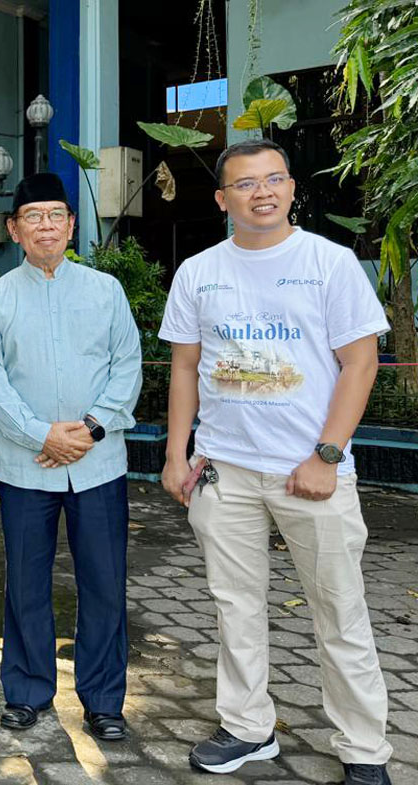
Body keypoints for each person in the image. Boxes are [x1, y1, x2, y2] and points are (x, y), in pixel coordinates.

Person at [158, 139, 393, 784]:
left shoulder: (329, 263)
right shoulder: (199, 271)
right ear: (222, 199)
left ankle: (365, 751)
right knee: (235, 604)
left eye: (274, 180)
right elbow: (184, 368)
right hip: (222, 470)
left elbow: (360, 363)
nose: (262, 192)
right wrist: (178, 453)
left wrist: (326, 454)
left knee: (339, 610)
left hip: (311, 473)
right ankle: (246, 728)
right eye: (245, 184)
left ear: (291, 188)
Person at [0, 173, 142, 742]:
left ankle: (103, 701)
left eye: (56, 215)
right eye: (33, 216)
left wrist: (88, 431)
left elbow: (127, 368)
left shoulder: (105, 290)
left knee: (103, 583)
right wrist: (44, 436)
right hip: (25, 467)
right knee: (25, 582)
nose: (46, 225)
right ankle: (25, 691)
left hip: (98, 465)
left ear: (72, 225)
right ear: (16, 229)